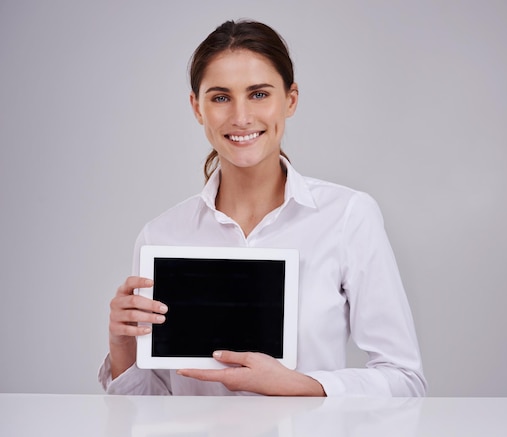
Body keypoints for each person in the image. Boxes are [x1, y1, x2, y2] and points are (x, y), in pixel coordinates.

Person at [99, 19, 427, 397]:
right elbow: (146, 411)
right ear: (197, 107)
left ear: (290, 99)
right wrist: (121, 345)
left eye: (259, 94)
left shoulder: (348, 216)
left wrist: (301, 385)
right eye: (220, 97)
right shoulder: (162, 235)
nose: (241, 117)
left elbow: (405, 380)